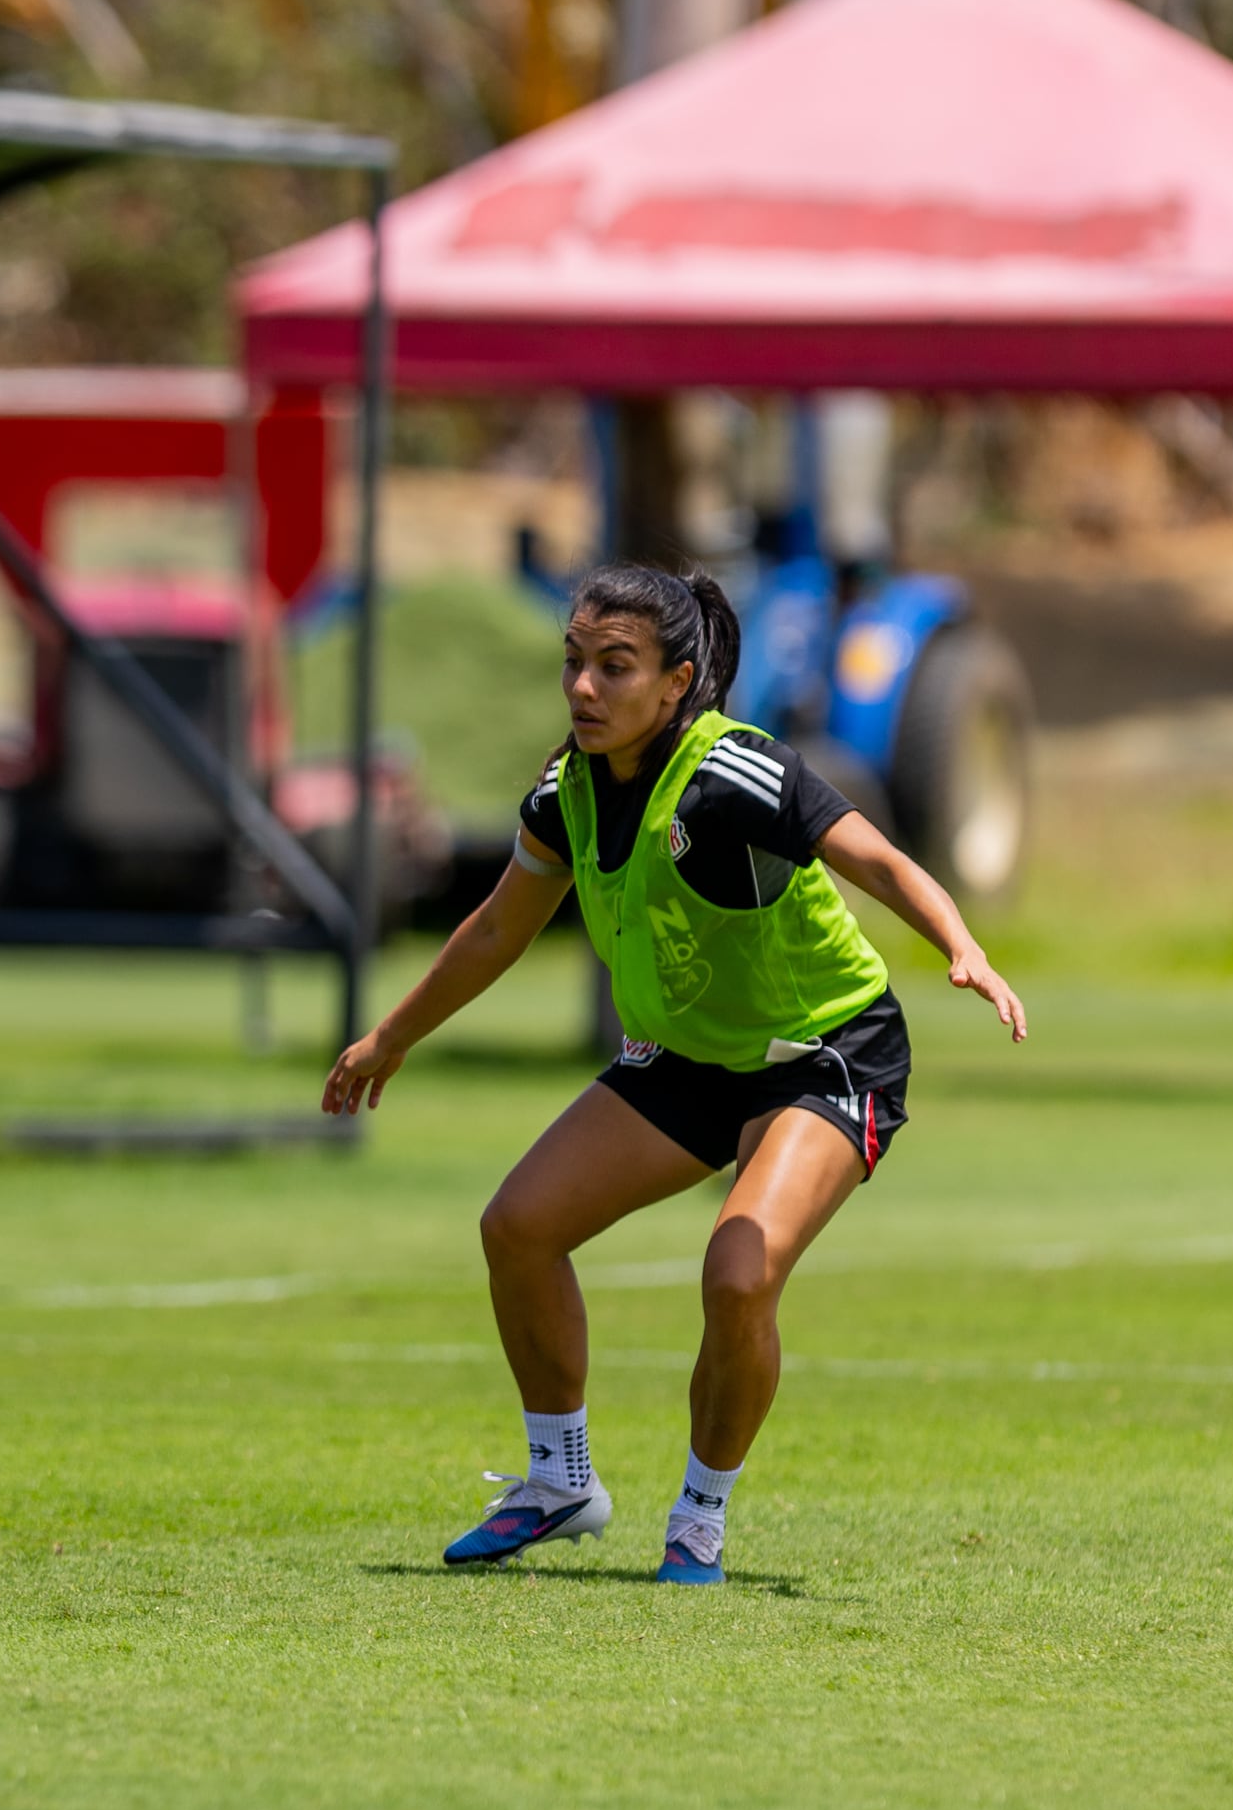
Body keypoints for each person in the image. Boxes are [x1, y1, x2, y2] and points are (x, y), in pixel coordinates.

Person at [321, 563, 1024, 1584]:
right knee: (516, 1227)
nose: (584, 688)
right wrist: (392, 1035)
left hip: (824, 1051)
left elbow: (877, 857)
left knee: (738, 1271)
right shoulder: (566, 793)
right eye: (574, 662)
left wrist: (960, 943)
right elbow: (493, 931)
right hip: (689, 1059)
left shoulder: (732, 771)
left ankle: (699, 1515)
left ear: (675, 681)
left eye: (615, 667)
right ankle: (560, 1482)